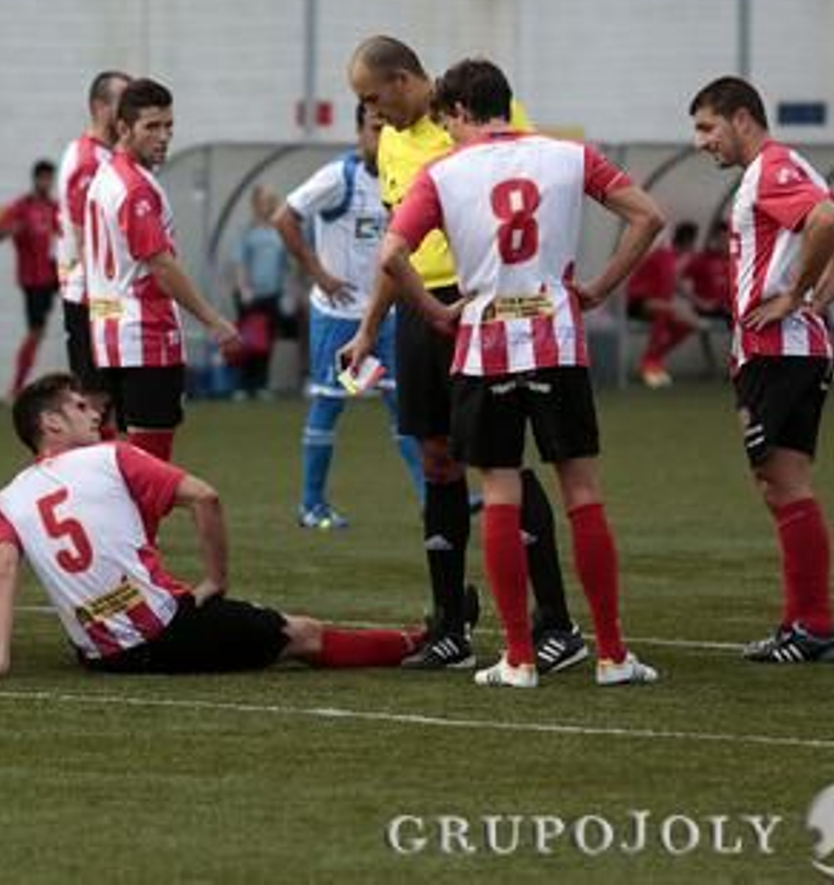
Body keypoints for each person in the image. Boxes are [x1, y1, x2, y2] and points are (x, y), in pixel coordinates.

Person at [349, 58, 665, 688]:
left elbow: (391, 253)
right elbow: (647, 216)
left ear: (460, 112)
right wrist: (600, 285)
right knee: (582, 492)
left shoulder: (442, 171)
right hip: (557, 336)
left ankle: (518, 658)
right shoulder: (570, 155)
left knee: (499, 493)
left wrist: (436, 309)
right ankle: (610, 654)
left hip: (484, 341)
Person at [341, 35, 584, 673]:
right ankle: (451, 622)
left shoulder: (475, 117)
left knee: (499, 457)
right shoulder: (392, 142)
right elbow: (398, 247)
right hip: (422, 309)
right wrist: (370, 327)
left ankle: (556, 621)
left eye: (372, 98)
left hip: (483, 301)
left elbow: (535, 189)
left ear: (401, 80)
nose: (370, 114)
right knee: (437, 458)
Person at [0, 374, 429, 679]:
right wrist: (215, 581)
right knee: (302, 634)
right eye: (79, 407)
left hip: (100, 657)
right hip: (165, 634)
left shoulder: (5, 500)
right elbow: (206, 497)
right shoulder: (111, 456)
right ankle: (417, 641)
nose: (94, 412)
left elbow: (2, 573)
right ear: (51, 424)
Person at [689, 76, 834, 663]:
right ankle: (804, 624)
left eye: (707, 127)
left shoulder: (774, 167)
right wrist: (818, 301)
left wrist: (796, 296)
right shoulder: (778, 170)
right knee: (779, 485)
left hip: (781, 350)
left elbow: (825, 222)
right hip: (778, 348)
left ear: (743, 118)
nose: (701, 142)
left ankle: (813, 626)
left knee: (781, 483)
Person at [273, 102, 425, 530]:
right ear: (359, 131)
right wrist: (319, 273)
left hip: (386, 315)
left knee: (404, 405)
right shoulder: (339, 177)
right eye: (375, 126)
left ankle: (433, 498)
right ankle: (311, 505)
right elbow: (283, 217)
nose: (383, 135)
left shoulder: (403, 178)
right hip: (339, 319)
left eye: (389, 126)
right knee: (331, 402)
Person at [83, 77, 241, 461]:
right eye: (152, 126)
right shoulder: (135, 188)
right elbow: (161, 266)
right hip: (146, 337)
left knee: (124, 463)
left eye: (169, 125)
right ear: (124, 128)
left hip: (111, 336)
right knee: (150, 467)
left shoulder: (108, 175)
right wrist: (213, 320)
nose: (164, 136)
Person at [56, 71, 131, 426]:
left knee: (110, 398)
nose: (128, 114)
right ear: (100, 107)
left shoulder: (105, 155)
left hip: (102, 294)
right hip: (90, 295)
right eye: (123, 104)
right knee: (95, 398)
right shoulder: (89, 161)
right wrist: (105, 304)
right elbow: (86, 237)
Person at [0, 158, 61, 396]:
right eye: (43, 177)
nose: (47, 182)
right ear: (36, 179)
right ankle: (16, 388)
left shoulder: (55, 208)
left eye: (50, 178)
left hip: (57, 276)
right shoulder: (22, 206)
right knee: (36, 331)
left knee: (83, 316)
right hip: (33, 279)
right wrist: (13, 229)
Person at [228, 184, 289, 399]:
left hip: (272, 294)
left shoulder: (279, 231)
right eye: (264, 201)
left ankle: (261, 383)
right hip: (249, 294)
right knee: (247, 341)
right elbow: (239, 262)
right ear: (255, 204)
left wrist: (287, 293)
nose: (268, 205)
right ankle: (243, 386)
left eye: (271, 200)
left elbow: (285, 265)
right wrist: (244, 288)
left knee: (266, 341)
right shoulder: (247, 231)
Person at [627, 221, 701, 387]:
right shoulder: (663, 255)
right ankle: (648, 364)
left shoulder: (674, 257)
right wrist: (676, 308)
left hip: (657, 303)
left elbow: (675, 285)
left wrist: (696, 303)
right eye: (693, 242)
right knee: (665, 312)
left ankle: (654, 359)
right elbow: (663, 289)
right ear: (688, 241)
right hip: (637, 302)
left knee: (688, 324)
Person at [681, 219, 732, 320]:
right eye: (721, 238)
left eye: (727, 238)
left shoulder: (734, 261)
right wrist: (697, 301)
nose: (724, 242)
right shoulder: (703, 259)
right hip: (706, 313)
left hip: (727, 313)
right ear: (715, 239)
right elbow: (677, 281)